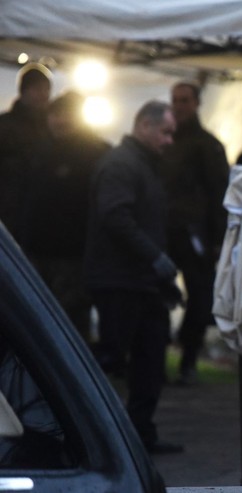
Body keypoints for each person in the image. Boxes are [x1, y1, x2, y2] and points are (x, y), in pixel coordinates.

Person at [84, 100, 183, 454]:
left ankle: (140, 435)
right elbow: (116, 218)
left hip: (140, 281)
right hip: (119, 280)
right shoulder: (122, 165)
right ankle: (83, 433)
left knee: (149, 362)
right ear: (144, 125)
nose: (170, 140)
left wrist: (161, 275)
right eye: (165, 132)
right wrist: (154, 258)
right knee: (111, 357)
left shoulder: (142, 165)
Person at [22, 91, 111, 340]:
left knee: (70, 318)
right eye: (55, 114)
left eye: (66, 115)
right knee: (33, 315)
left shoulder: (96, 154)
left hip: (74, 255)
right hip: (37, 250)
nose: (60, 121)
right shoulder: (39, 150)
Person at [162, 81, 230, 385]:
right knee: (157, 294)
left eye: (185, 100)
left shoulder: (207, 145)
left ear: (196, 103)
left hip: (196, 232)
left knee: (200, 295)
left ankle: (189, 356)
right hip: (166, 231)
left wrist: (217, 238)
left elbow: (219, 192)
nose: (179, 105)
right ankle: (159, 355)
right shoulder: (165, 142)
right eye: (175, 100)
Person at [0, 63, 52, 238]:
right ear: (24, 91)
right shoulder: (5, 126)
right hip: (10, 209)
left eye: (46, 89)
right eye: (38, 89)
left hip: (40, 211)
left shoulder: (52, 127)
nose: (44, 95)